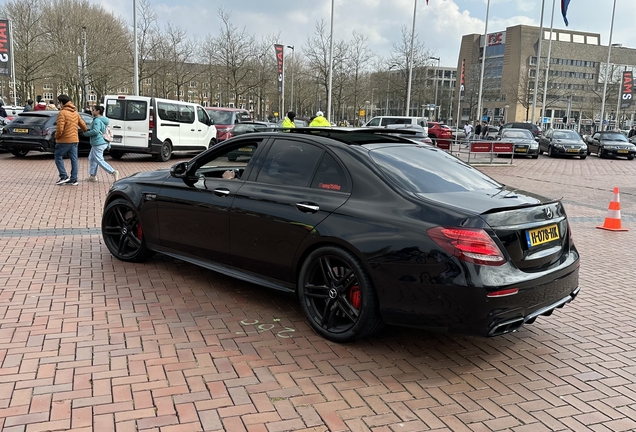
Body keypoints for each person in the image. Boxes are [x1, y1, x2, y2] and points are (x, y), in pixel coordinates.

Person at [54, 94, 87, 186]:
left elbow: (60, 128)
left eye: (58, 103)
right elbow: (83, 124)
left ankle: (63, 176)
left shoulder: (62, 113)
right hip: (74, 139)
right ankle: (74, 179)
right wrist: (85, 131)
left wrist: (57, 136)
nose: (58, 105)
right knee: (74, 159)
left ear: (61, 103)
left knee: (58, 156)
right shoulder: (75, 112)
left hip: (64, 140)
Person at [83, 105, 119, 183]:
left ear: (98, 111)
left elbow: (95, 131)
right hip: (102, 141)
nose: (92, 111)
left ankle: (113, 172)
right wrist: (108, 144)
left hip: (98, 142)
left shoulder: (97, 120)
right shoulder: (104, 120)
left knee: (99, 159)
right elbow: (106, 132)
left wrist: (86, 133)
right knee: (92, 158)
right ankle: (92, 176)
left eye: (93, 110)